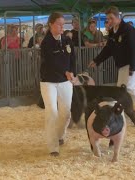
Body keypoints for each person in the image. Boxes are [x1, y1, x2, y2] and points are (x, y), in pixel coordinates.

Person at [88, 6, 135, 122]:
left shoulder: (129, 30)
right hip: (122, 64)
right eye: (107, 19)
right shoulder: (112, 32)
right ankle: (122, 114)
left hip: (134, 62)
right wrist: (97, 60)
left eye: (111, 18)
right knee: (120, 91)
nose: (109, 21)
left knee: (129, 87)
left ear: (118, 16)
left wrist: (132, 67)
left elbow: (134, 50)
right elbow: (108, 50)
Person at [40, 12, 76, 156]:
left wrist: (72, 72)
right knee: (52, 112)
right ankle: (53, 146)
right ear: (51, 24)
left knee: (66, 113)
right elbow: (50, 62)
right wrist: (65, 71)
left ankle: (60, 135)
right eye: (59, 24)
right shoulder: (46, 42)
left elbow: (73, 58)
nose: (62, 27)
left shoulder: (68, 41)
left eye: (63, 24)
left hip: (65, 81)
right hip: (48, 81)